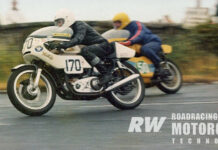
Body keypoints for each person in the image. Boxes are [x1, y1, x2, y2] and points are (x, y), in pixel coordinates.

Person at [51, 9, 114, 85]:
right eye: (57, 23)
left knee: (85, 50)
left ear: (68, 19)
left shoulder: (79, 25)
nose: (59, 25)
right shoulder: (68, 31)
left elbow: (78, 38)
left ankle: (106, 74)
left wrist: (63, 45)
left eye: (60, 22)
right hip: (93, 47)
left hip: (102, 44)